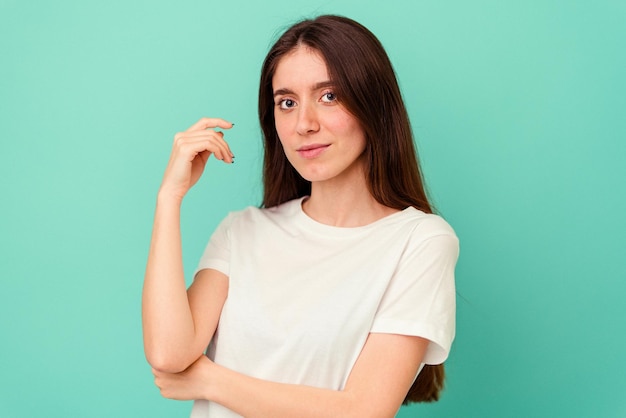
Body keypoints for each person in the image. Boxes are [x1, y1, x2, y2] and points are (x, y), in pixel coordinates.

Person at [142, 15, 459, 418]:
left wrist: (209, 380)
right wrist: (169, 197)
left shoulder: (420, 241)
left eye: (329, 96)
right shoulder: (241, 232)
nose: (304, 124)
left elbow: (363, 411)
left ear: (373, 104)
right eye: (287, 103)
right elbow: (169, 355)